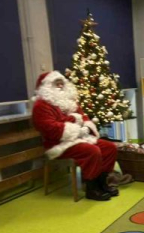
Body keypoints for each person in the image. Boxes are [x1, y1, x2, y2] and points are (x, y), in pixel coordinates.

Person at [32, 71, 120, 202]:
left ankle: (102, 183)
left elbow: (83, 117)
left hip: (79, 138)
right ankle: (91, 188)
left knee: (109, 147)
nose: (60, 86)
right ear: (47, 87)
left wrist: (86, 127)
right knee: (92, 151)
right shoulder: (41, 106)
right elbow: (50, 128)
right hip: (58, 144)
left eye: (61, 83)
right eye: (56, 83)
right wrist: (74, 122)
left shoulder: (69, 101)